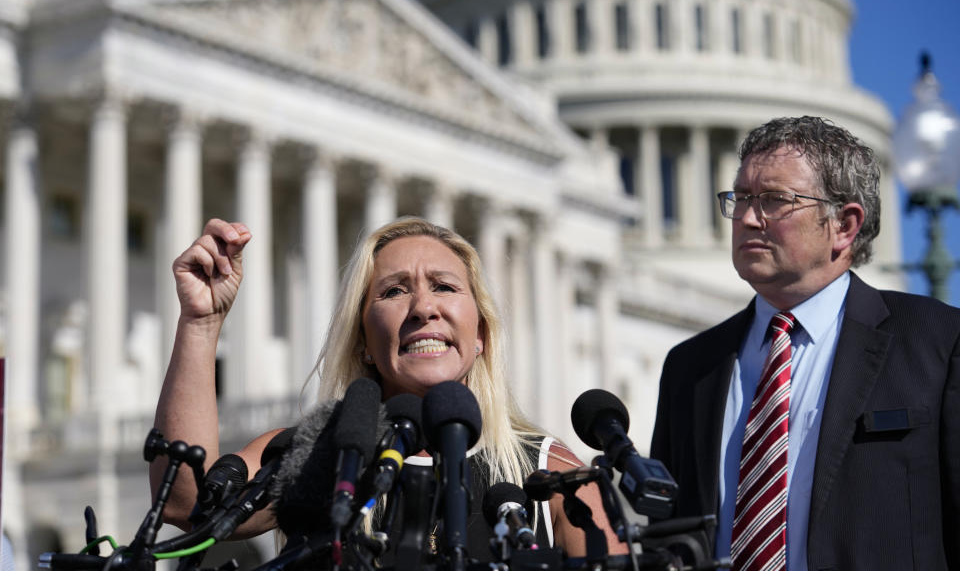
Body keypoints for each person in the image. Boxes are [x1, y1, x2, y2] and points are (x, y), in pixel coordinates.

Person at [151, 216, 627, 558]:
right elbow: (184, 504)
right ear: (362, 342)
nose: (423, 307)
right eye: (394, 291)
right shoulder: (314, 454)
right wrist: (201, 322)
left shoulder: (549, 473)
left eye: (444, 286)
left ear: (480, 335)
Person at [650, 116, 960, 570]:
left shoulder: (938, 343)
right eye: (741, 198)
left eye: (776, 200)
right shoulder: (691, 367)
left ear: (844, 225)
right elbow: (667, 537)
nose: (748, 218)